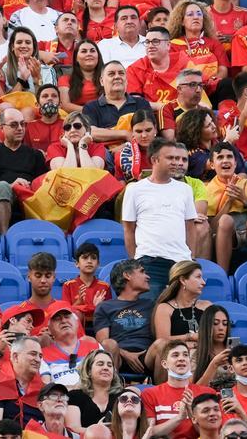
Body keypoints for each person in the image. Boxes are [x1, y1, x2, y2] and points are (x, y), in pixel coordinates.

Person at [121, 139, 201, 301]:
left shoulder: (185, 189)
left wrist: (190, 258)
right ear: (154, 160)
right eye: (170, 158)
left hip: (181, 263)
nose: (176, 162)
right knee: (151, 313)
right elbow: (129, 230)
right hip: (150, 262)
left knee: (184, 316)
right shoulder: (135, 190)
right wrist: (136, 263)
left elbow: (190, 227)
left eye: (178, 158)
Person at [0, 107, 49, 234]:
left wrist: (27, 187)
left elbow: (42, 182)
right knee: (2, 186)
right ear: (1, 128)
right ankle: (4, 238)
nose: (20, 128)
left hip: (27, 194)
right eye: (13, 125)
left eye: (22, 124)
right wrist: (11, 186)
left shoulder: (35, 155)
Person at [140, 341, 216, 439]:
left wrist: (192, 413)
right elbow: (150, 432)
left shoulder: (207, 393)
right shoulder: (150, 394)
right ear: (164, 364)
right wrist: (179, 418)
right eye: (175, 355)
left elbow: (211, 434)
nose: (181, 359)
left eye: (185, 355)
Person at [93, 259, 154, 375]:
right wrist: (126, 354)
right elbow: (102, 343)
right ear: (127, 275)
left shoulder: (151, 305)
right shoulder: (105, 307)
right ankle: (112, 390)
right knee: (108, 344)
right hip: (117, 357)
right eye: (142, 272)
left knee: (162, 345)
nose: (147, 277)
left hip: (147, 356)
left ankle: (165, 391)